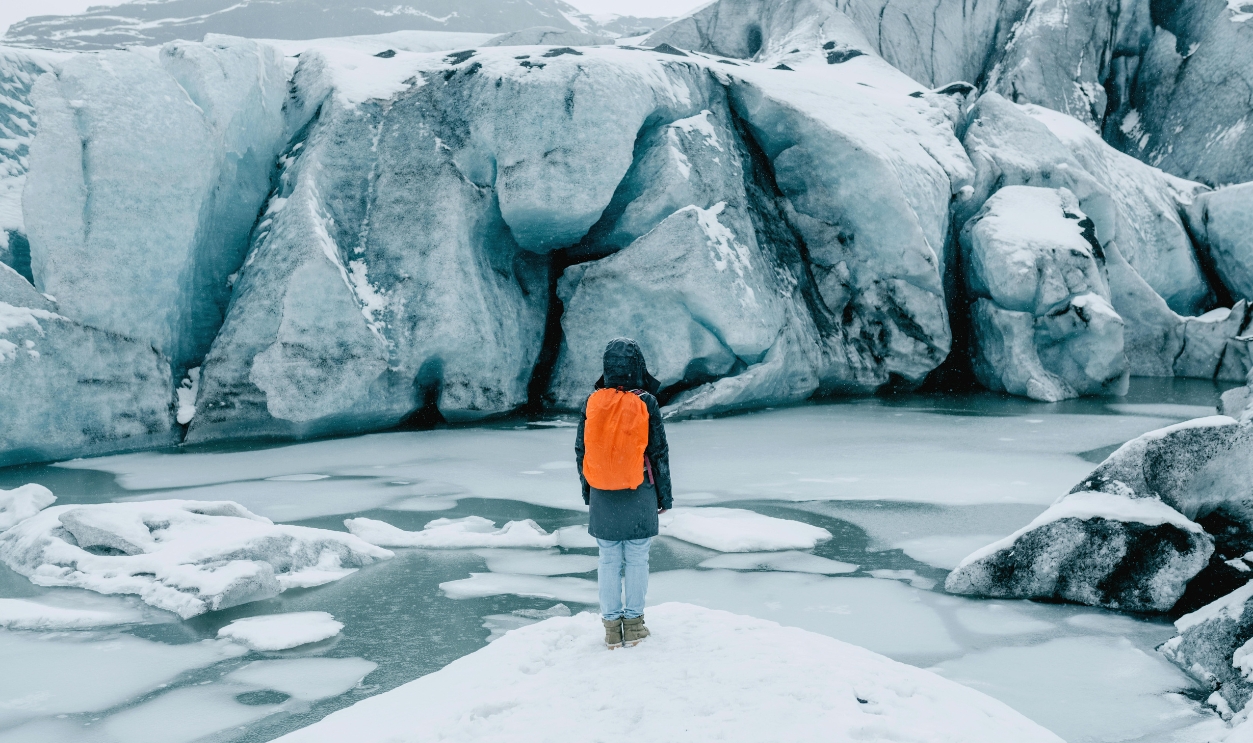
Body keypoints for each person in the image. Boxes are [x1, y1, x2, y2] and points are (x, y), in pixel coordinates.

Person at [575, 338, 673, 649]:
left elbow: (582, 451)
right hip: (638, 488)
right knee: (637, 558)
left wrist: (589, 492)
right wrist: (664, 497)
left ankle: (610, 630)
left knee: (607, 559)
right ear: (637, 365)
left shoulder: (592, 401)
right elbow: (658, 453)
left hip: (602, 490)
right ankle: (633, 626)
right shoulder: (646, 401)